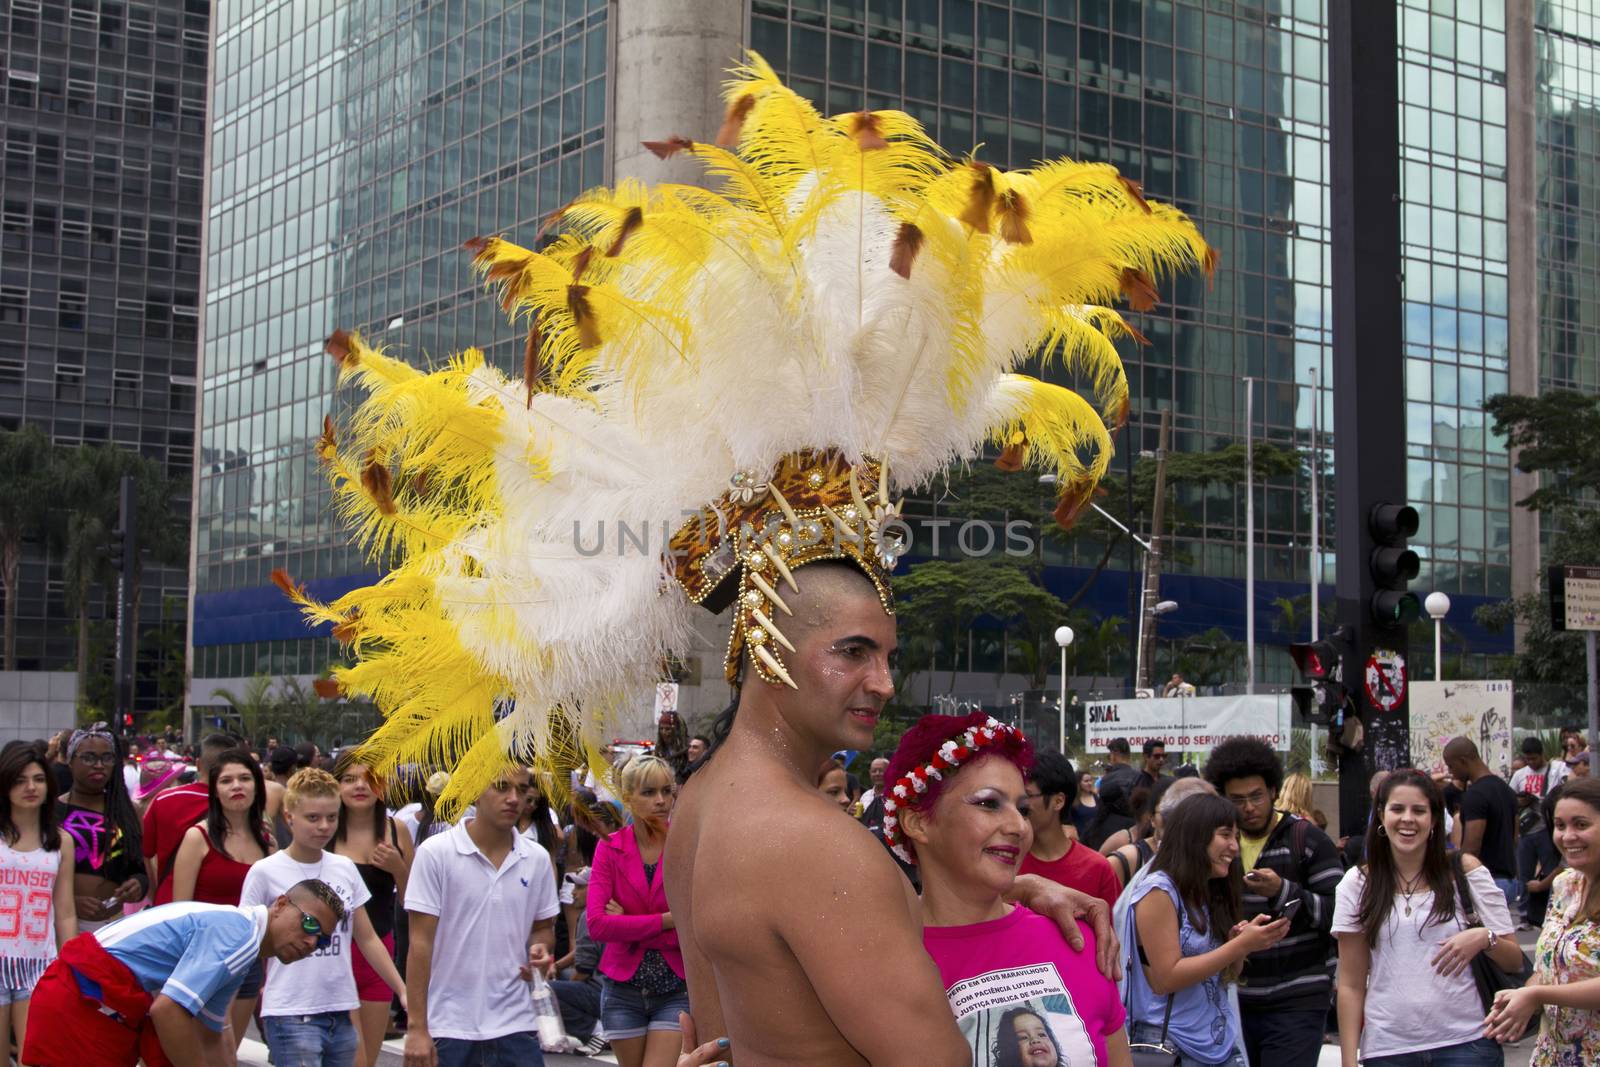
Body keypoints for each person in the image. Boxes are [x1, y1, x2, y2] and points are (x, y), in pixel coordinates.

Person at [666, 564, 1118, 1064]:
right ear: (767, 645)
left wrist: (1017, 887)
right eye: (853, 652)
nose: (884, 684)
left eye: (888, 657)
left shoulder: (700, 797)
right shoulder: (812, 840)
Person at [886, 714, 1132, 1066]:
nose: (1018, 826)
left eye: (1023, 809)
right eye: (989, 803)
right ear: (918, 821)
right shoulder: (883, 965)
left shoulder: (1079, 939)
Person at [21, 880, 344, 1067]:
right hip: (83, 1000)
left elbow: (210, 1036)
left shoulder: (242, 935)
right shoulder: (240, 936)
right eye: (309, 923)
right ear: (281, 904)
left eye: (323, 939)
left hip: (86, 999)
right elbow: (168, 1011)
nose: (312, 941)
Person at [1333, 768, 1522, 1067]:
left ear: (1434, 819)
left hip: (1468, 1045)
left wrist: (1484, 938)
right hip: (1387, 1049)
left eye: (1419, 810)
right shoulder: (1356, 884)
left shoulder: (1466, 871)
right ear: (1381, 815)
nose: (1407, 818)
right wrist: (1348, 1060)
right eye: (1397, 809)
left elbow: (1514, 961)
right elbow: (1351, 984)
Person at [240, 767, 406, 1067]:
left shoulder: (343, 868)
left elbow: (367, 938)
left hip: (341, 1009)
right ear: (289, 817)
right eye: (313, 818)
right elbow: (244, 943)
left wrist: (403, 990)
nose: (324, 826)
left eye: (332, 817)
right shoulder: (264, 871)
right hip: (290, 1011)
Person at [404, 771, 560, 1067]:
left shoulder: (537, 858)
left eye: (522, 789)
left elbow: (543, 928)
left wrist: (540, 950)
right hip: (449, 1026)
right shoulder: (436, 853)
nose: (514, 798)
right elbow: (419, 945)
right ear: (475, 790)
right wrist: (417, 1028)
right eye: (501, 786)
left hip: (517, 1025)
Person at [1203, 736, 1342, 1067]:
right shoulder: (1215, 844)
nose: (1249, 808)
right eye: (1237, 800)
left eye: (1256, 796)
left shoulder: (1306, 839)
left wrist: (1283, 891)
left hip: (1297, 1000)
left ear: (1274, 791)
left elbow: (1339, 914)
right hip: (1233, 1001)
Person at [1124, 793, 1286, 1066]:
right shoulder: (1158, 890)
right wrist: (1239, 946)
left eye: (1237, 836)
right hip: (1172, 1046)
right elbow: (1165, 978)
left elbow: (1225, 976)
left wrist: (1237, 946)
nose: (1234, 847)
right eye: (1226, 835)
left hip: (1218, 1043)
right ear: (1195, 835)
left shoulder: (1207, 890)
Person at [1482, 776, 1600, 1062]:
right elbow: (1548, 966)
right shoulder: (1564, 885)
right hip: (1553, 1054)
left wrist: (1539, 996)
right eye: (1560, 826)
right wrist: (1521, 997)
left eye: (1581, 825)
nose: (1567, 836)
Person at [169, 748, 275, 1044]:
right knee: (209, 1050)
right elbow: (180, 911)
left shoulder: (267, 842)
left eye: (244, 778)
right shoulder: (197, 837)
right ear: (214, 791)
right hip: (206, 960)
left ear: (257, 784)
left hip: (250, 959)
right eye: (226, 781)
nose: (237, 786)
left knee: (231, 1053)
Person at [588, 755, 685, 1067]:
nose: (660, 801)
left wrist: (628, 924)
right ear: (627, 799)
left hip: (676, 986)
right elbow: (598, 926)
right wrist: (667, 921)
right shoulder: (610, 847)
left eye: (666, 791)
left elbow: (693, 921)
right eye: (648, 793)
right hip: (622, 990)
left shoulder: (686, 844)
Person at [330, 758, 414, 1067]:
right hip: (334, 952)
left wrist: (399, 869)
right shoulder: (324, 829)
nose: (360, 786)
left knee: (368, 1059)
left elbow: (412, 902)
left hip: (379, 951)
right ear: (336, 786)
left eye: (368, 779)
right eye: (349, 779)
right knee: (353, 1058)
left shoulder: (397, 830)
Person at [0, 743, 77, 1056]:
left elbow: (65, 911)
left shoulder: (61, 842)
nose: (31, 787)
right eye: (19, 780)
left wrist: (70, 965)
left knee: (37, 1056)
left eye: (38, 779)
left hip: (39, 965)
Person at [57, 726, 148, 931]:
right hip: (63, 924)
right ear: (70, 761)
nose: (99, 765)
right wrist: (71, 900)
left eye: (107, 758)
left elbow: (140, 868)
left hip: (113, 924)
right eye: (88, 758)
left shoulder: (127, 811)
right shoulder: (53, 811)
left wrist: (138, 884)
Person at [143, 732, 242, 904]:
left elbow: (145, 855)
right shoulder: (240, 806)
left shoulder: (163, 800)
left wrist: (156, 895)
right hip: (225, 913)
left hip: (168, 906)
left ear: (197, 764)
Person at [1019, 751, 1120, 911]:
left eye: (1027, 796)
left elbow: (1111, 932)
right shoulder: (1008, 862)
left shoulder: (1098, 869)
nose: (1019, 805)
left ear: (1058, 801)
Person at [1446, 736, 1520, 911]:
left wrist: (1455, 876)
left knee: (1478, 936)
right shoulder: (1507, 790)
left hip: (1487, 881)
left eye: (1451, 766)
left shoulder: (1475, 795)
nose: (1450, 772)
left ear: (1463, 761)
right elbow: (1514, 838)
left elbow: (1471, 849)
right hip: (1509, 879)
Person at [1106, 776, 1214, 890]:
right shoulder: (1128, 858)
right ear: (1152, 818)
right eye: (1167, 812)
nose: (1175, 820)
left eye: (1182, 812)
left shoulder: (1201, 858)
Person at [1071, 770, 1098, 841]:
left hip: (1097, 838)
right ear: (1079, 783)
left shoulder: (1096, 797)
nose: (1090, 783)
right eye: (1086, 781)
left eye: (1090, 780)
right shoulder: (1073, 801)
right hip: (1081, 840)